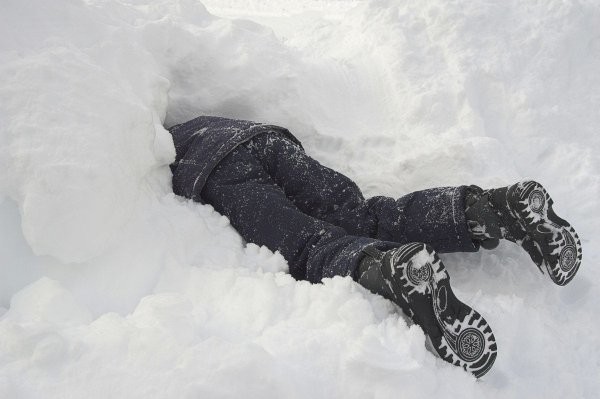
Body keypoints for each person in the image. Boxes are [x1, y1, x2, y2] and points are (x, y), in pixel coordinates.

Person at [167, 115, 582, 378]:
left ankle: (388, 267)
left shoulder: (154, 144)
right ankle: (493, 208)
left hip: (216, 170)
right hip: (265, 139)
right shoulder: (197, 117)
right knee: (368, 215)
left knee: (308, 247)